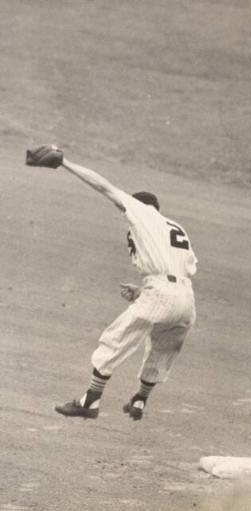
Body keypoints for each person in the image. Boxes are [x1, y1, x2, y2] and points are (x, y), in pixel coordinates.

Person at [30, 147, 198, 421]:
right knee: (163, 347)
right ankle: (141, 400)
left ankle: (90, 401)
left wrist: (65, 163)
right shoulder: (175, 228)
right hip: (186, 300)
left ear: (142, 206)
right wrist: (144, 291)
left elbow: (103, 186)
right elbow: (181, 271)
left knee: (116, 338)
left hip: (161, 293)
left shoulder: (141, 212)